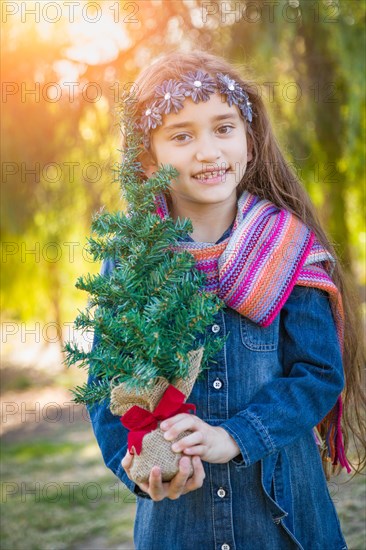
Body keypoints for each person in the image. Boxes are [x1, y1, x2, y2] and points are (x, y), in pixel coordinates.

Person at [87, 50, 365, 550]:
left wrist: (235, 436)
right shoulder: (132, 260)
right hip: (179, 524)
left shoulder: (288, 247)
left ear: (250, 141)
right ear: (148, 158)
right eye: (181, 135)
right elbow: (106, 387)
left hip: (286, 523)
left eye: (223, 128)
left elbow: (319, 374)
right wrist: (140, 467)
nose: (208, 151)